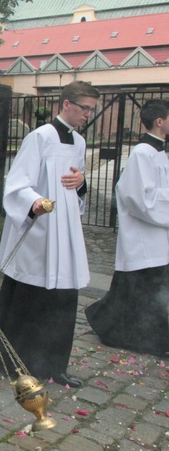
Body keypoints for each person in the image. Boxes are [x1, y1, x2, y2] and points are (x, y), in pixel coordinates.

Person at [0, 80, 98, 388]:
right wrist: (35, 202)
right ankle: (15, 359)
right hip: (39, 233)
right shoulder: (39, 137)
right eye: (84, 108)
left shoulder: (79, 143)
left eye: (91, 110)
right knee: (29, 299)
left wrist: (81, 182)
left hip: (65, 231)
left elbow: (75, 189)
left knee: (64, 299)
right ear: (66, 104)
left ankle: (56, 364)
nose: (87, 115)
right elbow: (16, 184)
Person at [86, 99, 169, 356]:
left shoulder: (160, 152)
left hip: (158, 234)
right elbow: (136, 197)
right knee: (142, 292)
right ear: (160, 121)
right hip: (145, 236)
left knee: (152, 292)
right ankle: (136, 336)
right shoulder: (142, 152)